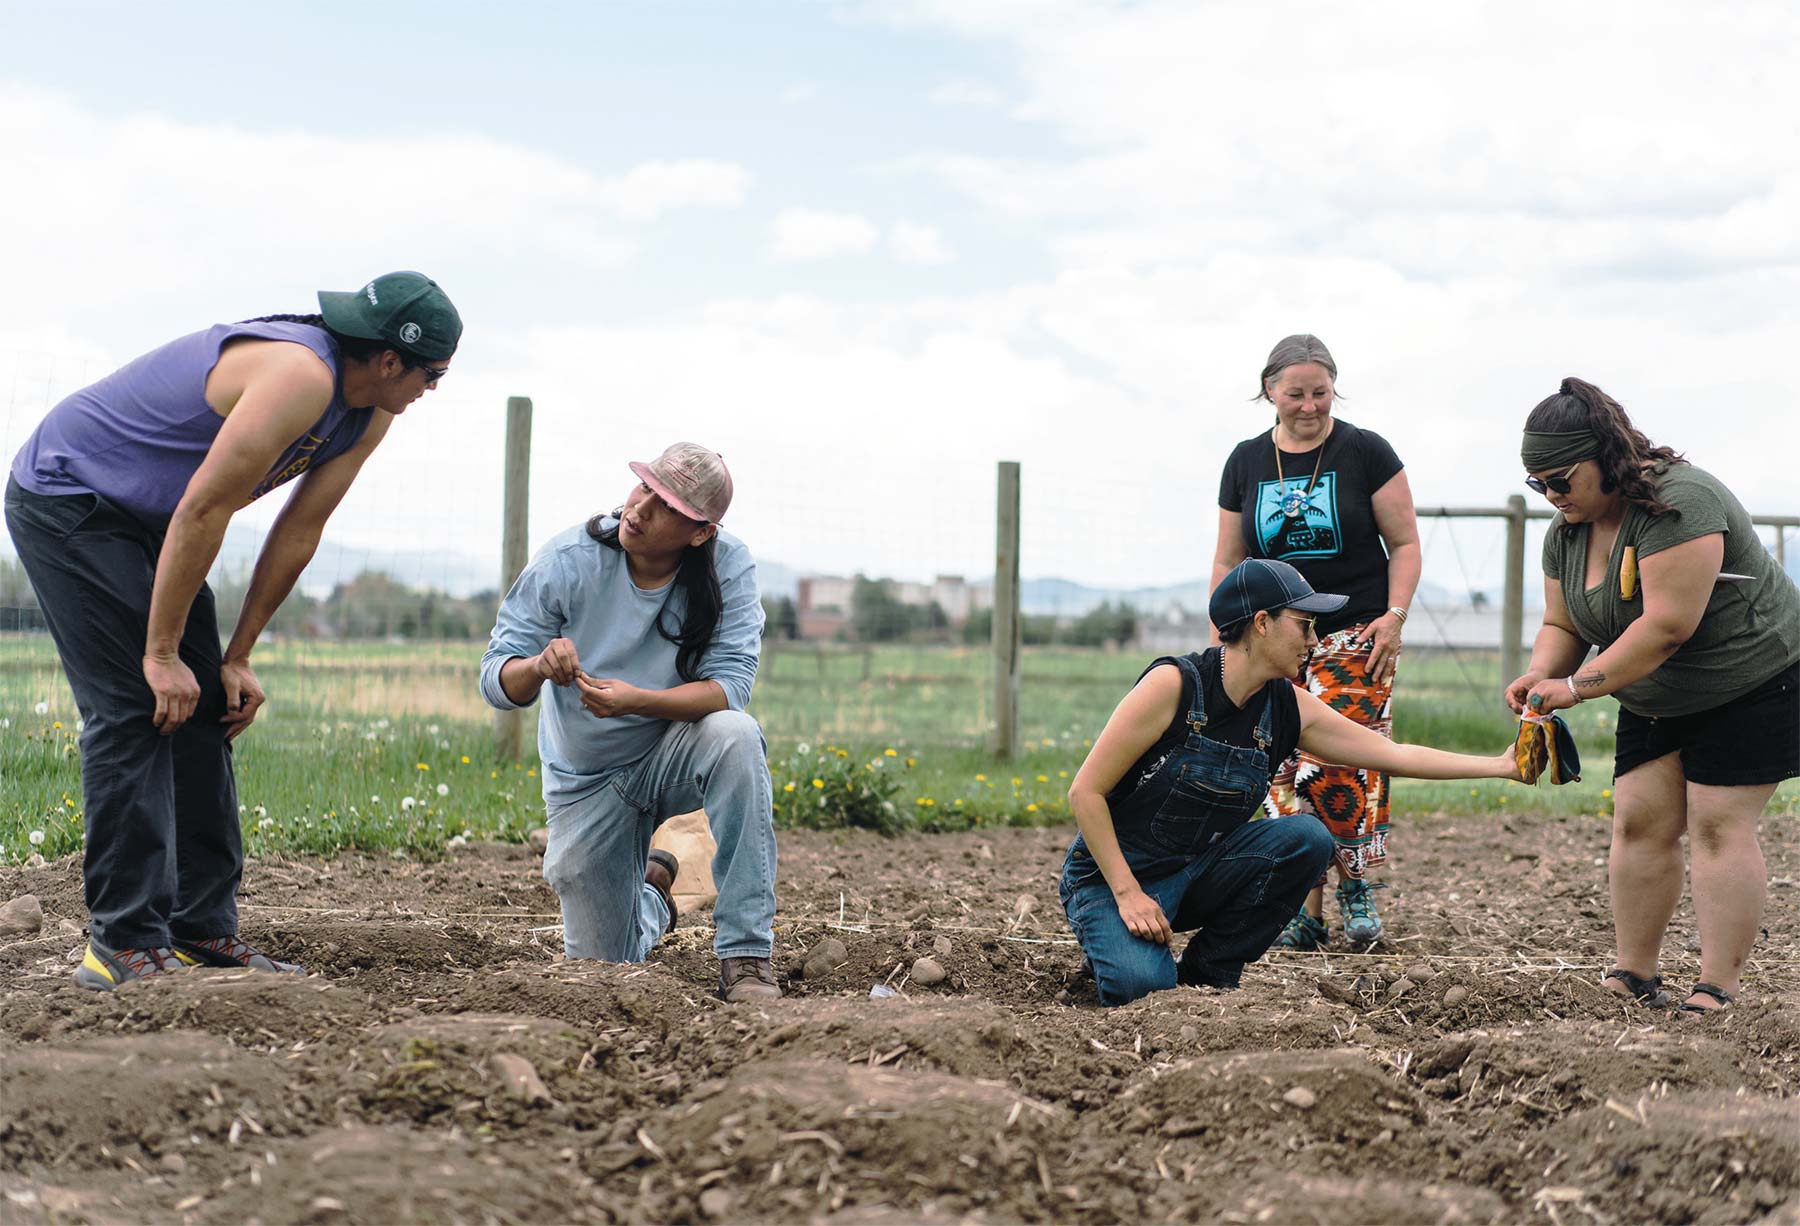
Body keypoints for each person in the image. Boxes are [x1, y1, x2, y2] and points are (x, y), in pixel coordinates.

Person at [5, 271, 463, 991]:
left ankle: (200, 931)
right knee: (134, 706)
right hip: (74, 497)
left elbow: (298, 530)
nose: (432, 390)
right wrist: (158, 653)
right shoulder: (298, 376)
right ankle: (123, 945)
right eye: (432, 374)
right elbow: (203, 511)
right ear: (388, 360)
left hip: (157, 516)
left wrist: (238, 655)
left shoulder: (369, 413)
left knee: (208, 704)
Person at [1063, 558, 1521, 1006]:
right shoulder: (1174, 685)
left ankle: (1206, 977)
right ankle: (1117, 945)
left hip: (1201, 872)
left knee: (1305, 838)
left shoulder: (1288, 707)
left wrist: (1502, 765)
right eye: (1305, 625)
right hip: (1114, 878)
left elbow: (1393, 755)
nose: (1315, 640)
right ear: (1262, 623)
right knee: (1140, 989)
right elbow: (1085, 793)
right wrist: (1128, 894)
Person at [1506, 378, 1799, 1014]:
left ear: (1606, 457)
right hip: (1654, 692)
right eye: (1538, 485)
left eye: (1560, 479)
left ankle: (1718, 987)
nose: (1552, 497)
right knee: (1639, 821)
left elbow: (1666, 626)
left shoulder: (1679, 502)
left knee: (1718, 823)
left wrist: (1577, 688)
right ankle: (1634, 975)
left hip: (1749, 679)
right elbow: (1564, 623)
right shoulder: (1568, 531)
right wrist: (1541, 674)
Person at [480, 443, 780, 1003]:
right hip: (588, 781)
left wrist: (636, 700)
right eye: (644, 487)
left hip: (675, 752)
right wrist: (537, 666)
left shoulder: (728, 564)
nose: (639, 509)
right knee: (603, 965)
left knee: (736, 737)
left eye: (665, 505)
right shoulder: (568, 560)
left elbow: (730, 688)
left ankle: (746, 955)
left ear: (699, 533)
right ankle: (656, 895)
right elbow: (496, 679)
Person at [1213, 335, 1421, 950]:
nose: (1309, 405)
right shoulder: (1245, 461)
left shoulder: (1365, 452)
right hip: (1272, 636)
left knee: (1338, 761)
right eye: (1295, 393)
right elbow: (1228, 558)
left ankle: (1355, 889)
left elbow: (1404, 544)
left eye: (1321, 392)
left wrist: (1395, 615)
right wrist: (1223, 635)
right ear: (1269, 391)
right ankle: (1305, 910)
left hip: (1356, 633)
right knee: (1279, 764)